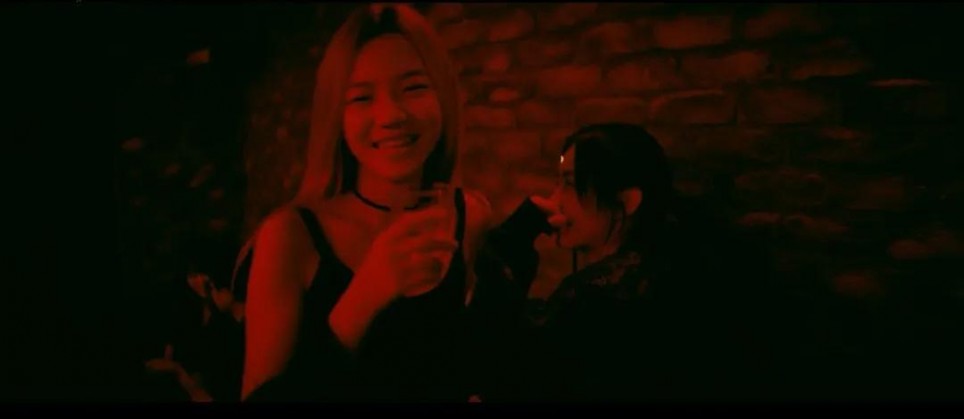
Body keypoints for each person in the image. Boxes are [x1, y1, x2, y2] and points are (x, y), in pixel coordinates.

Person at [236, 4, 493, 401]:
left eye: (413, 87)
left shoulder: (470, 216)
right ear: (336, 117)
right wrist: (366, 293)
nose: (390, 115)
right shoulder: (291, 237)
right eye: (361, 98)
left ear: (442, 96)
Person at [471, 123, 778, 402]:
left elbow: (498, 370)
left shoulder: (599, 298)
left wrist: (510, 242)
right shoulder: (678, 265)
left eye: (571, 184)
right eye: (558, 183)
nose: (555, 199)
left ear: (628, 201)